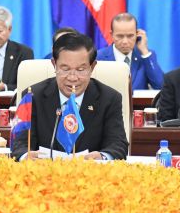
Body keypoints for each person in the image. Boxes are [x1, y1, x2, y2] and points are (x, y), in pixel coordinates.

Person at [11, 31, 128, 160]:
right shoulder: (33, 96)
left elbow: (118, 145)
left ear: (92, 67)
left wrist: (103, 157)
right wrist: (25, 156)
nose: (72, 77)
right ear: (54, 65)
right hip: (44, 175)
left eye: (81, 70)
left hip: (90, 175)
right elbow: (19, 143)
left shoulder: (109, 98)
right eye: (65, 69)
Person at [97, 12, 165, 90]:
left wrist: (144, 52)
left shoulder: (146, 56)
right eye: (120, 36)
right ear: (111, 35)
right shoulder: (99, 57)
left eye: (130, 36)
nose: (125, 41)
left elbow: (161, 86)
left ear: (137, 34)